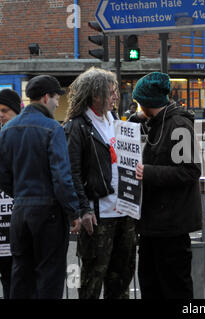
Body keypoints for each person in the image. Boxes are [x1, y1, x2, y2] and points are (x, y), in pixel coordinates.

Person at [0, 75, 81, 298]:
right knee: (49, 276)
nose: (57, 104)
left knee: (21, 274)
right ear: (46, 97)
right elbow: (62, 177)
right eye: (56, 98)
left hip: (20, 211)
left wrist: (20, 195)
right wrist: (73, 211)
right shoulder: (53, 129)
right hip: (49, 213)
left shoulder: (6, 130)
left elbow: (3, 176)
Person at [63, 67, 137, 299]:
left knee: (122, 277)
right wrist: (83, 209)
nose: (116, 96)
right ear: (96, 95)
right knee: (92, 281)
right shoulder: (77, 126)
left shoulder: (113, 119)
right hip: (99, 215)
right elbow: (72, 172)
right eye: (111, 92)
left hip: (124, 211)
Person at [133, 72, 202, 299]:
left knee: (174, 287)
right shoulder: (159, 123)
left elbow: (190, 170)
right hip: (156, 223)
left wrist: (148, 172)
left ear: (146, 102)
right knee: (152, 284)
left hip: (171, 224)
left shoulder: (178, 125)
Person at [0, 88, 21, 299]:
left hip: (17, 217)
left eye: (4, 110)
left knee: (14, 280)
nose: (0, 115)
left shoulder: (24, 138)